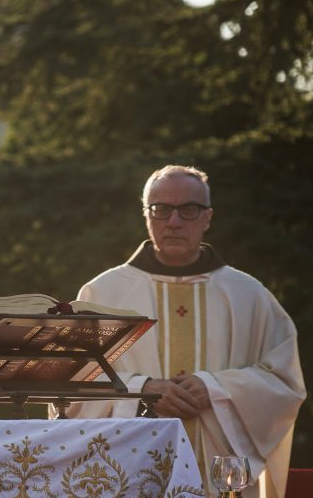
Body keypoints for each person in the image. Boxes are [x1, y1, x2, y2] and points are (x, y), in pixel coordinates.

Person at [64, 165, 305, 498]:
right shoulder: (101, 295)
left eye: (188, 210)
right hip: (127, 471)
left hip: (221, 475)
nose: (174, 222)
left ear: (207, 218)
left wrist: (215, 388)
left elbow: (286, 384)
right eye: (161, 210)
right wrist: (144, 390)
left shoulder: (249, 295)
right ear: (146, 215)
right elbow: (69, 383)